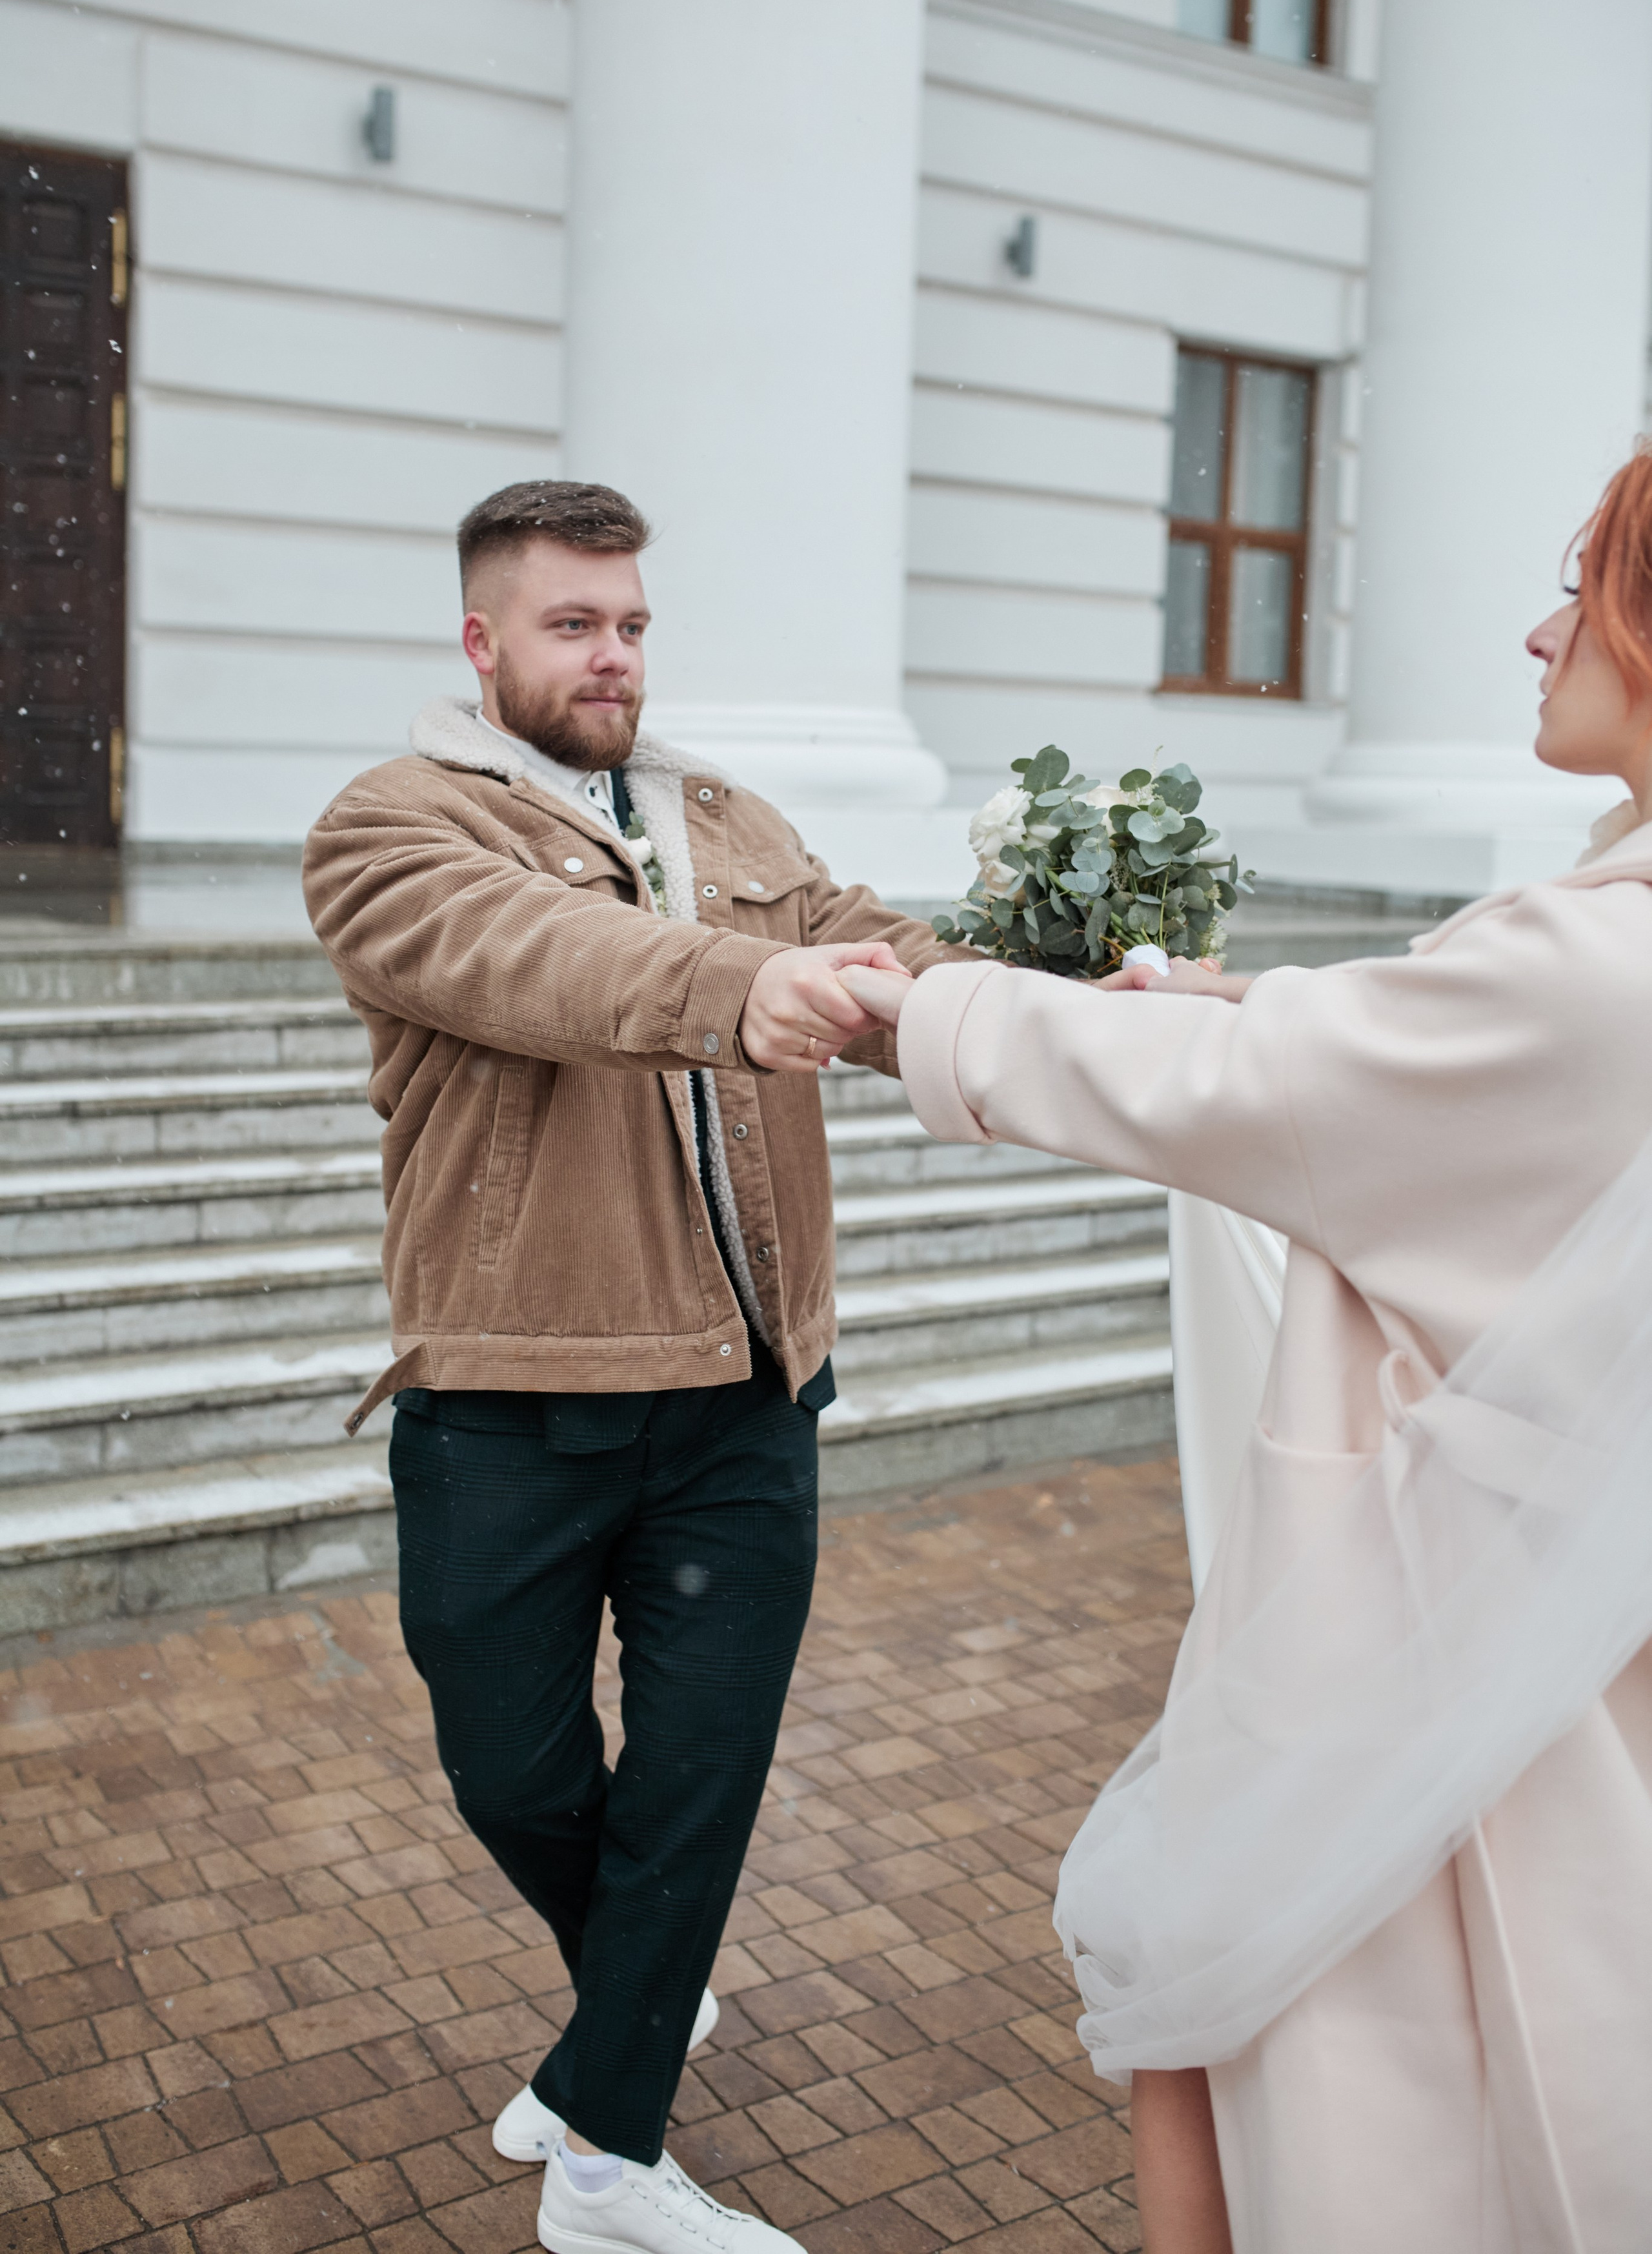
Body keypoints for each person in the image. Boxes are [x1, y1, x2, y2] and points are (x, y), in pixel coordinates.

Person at [840, 445, 1652, 2253]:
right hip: (1575, 1622)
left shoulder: (1603, 967)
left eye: (1583, 584)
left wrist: (915, 1013)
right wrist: (1250, 993)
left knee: (1322, 2060)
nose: (1539, 630)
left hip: (1466, 1672)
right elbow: (1396, 1048)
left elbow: (1273, 1088)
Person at [301, 480, 958, 2254]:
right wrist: (743, 981)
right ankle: (639, 2006)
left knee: (698, 1775)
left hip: (749, 1401)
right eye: (574, 624)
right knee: (512, 1773)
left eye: (634, 623)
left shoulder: (724, 811)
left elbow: (882, 944)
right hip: (517, 1392)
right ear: (484, 639)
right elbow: (541, 960)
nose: (614, 657)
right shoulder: (389, 825)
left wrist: (1050, 995)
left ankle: (607, 2159)